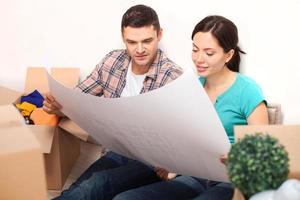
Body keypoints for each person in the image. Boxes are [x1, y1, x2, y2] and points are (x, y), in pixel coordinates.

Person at [112, 15, 269, 200]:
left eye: (209, 53)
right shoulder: (192, 88)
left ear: (228, 55)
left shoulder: (247, 90)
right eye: (195, 50)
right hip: (194, 176)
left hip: (231, 181)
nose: (199, 59)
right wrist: (173, 165)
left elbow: (263, 151)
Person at [43, 4, 183, 200]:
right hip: (115, 151)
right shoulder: (112, 61)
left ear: (159, 35)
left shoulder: (173, 78)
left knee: (93, 187)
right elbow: (77, 99)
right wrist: (57, 107)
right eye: (132, 42)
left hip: (149, 162)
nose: (140, 49)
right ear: (122, 37)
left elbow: (182, 136)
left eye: (147, 41)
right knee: (78, 189)